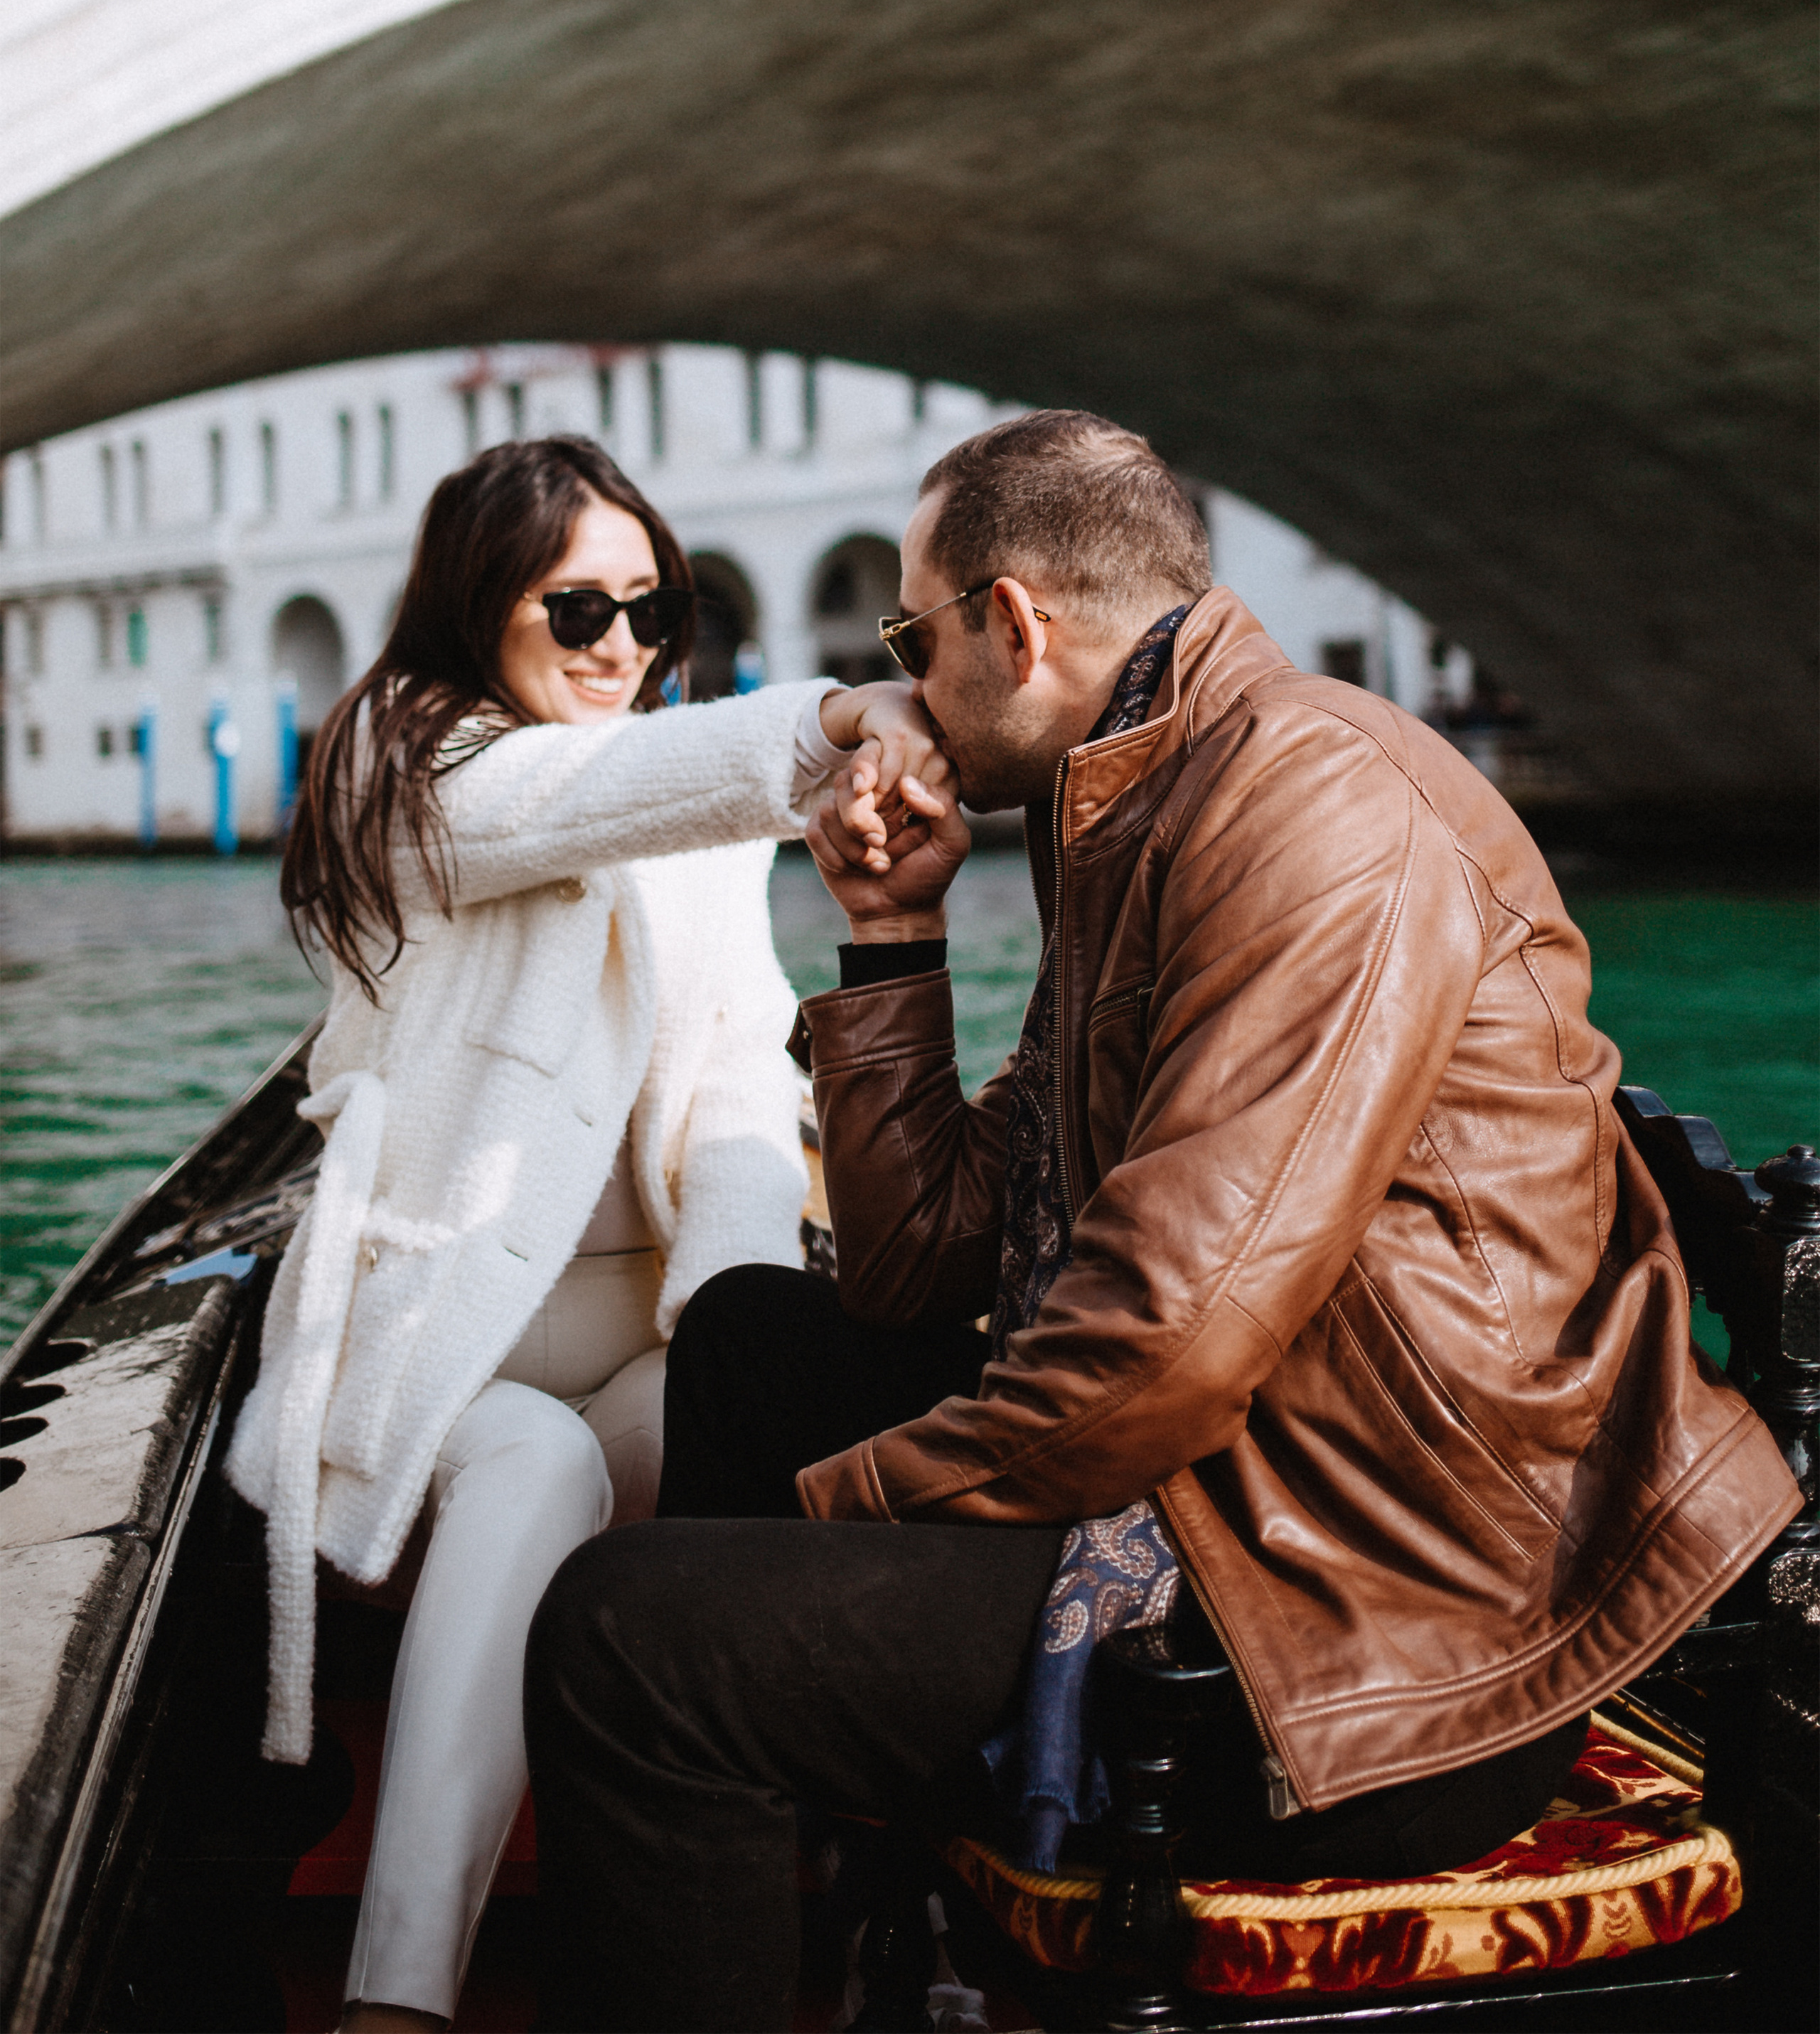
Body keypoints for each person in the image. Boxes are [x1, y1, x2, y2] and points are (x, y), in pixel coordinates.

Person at [524, 409, 1801, 2033]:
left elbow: (1162, 1349)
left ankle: (764, 1815)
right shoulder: (1139, 805)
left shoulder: (1306, 807)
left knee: (627, 1638)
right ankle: (810, 1918)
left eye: (911, 642)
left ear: (1010, 625)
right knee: (743, 1341)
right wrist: (890, 935)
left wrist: (831, 1514)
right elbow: (915, 1269)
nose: (904, 687)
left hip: (1374, 1626)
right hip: (1253, 1481)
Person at [222, 434, 948, 2034]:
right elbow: (578, 797)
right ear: (479, 605)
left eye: (653, 607)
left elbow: (736, 1094)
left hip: (630, 1358)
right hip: (426, 1377)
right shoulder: (399, 770)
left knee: (801, 1405)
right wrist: (838, 718)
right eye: (578, 610)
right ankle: (397, 2002)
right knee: (534, 1461)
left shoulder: (689, 812)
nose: (623, 645)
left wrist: (734, 1320)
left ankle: (835, 1900)